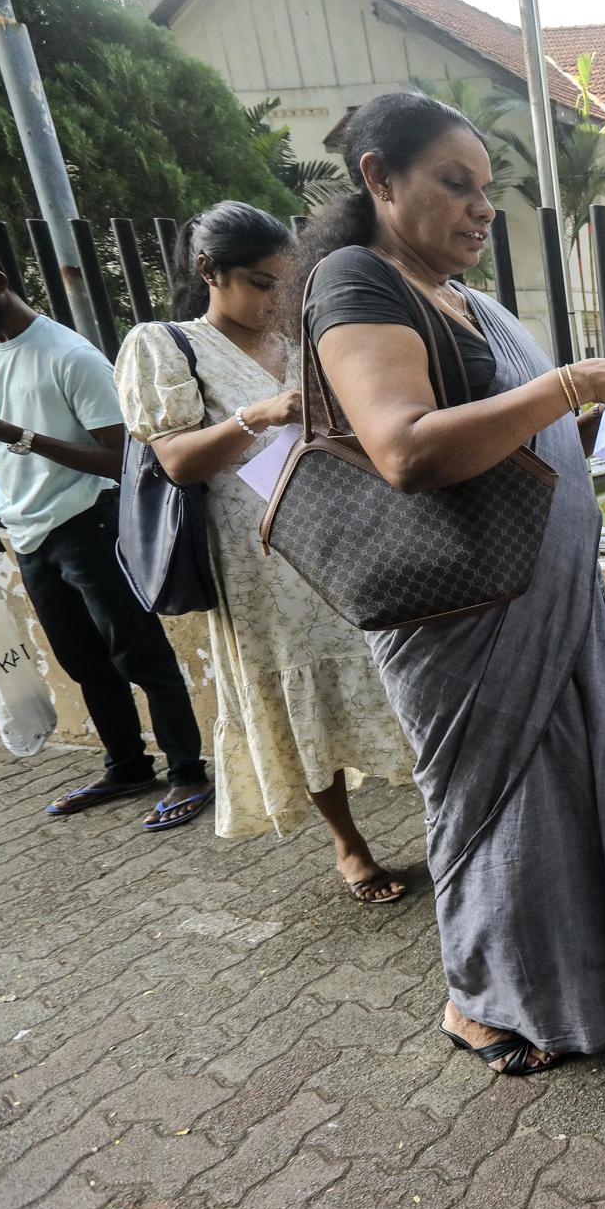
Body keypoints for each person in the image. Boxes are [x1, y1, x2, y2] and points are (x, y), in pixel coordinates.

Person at [297, 91, 605, 1073]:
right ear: (378, 178)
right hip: (465, 618)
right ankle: (476, 998)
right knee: (495, 809)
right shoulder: (355, 282)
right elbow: (405, 448)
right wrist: (573, 383)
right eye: (455, 184)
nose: (480, 207)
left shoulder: (467, 301)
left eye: (485, 189)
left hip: (555, 600)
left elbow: (527, 445)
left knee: (595, 794)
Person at [113, 201, 416, 901]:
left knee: (392, 674)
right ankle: (350, 845)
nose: (274, 299)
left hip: (343, 540)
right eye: (258, 282)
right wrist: (260, 413)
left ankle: (447, 816)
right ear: (206, 270)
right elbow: (177, 460)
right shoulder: (163, 345)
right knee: (296, 695)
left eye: (285, 283)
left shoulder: (300, 334)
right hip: (256, 565)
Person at [0, 250, 213, 830]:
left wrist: (16, 436)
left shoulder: (68, 354)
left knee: (138, 652)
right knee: (83, 661)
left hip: (87, 521)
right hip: (28, 531)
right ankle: (128, 767)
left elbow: (121, 458)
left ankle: (188, 771)